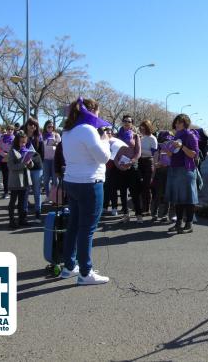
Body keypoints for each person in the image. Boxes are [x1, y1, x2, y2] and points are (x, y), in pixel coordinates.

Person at [60, 97, 112, 285]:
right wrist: (105, 140)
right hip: (90, 183)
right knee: (87, 230)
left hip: (72, 181)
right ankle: (85, 272)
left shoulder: (68, 131)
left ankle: (68, 266)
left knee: (73, 226)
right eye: (97, 112)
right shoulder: (88, 130)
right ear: (91, 112)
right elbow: (104, 157)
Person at [166, 114, 199, 234]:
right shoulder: (176, 136)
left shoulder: (190, 135)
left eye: (180, 122)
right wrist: (168, 151)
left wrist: (182, 146)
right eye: (176, 122)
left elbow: (194, 154)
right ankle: (178, 223)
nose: (177, 125)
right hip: (175, 169)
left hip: (186, 170)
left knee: (188, 198)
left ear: (185, 123)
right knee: (177, 198)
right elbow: (174, 154)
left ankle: (189, 224)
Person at [116, 115, 143, 222]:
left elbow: (138, 152)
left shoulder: (135, 136)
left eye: (129, 121)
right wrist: (119, 164)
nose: (127, 123)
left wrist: (131, 162)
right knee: (123, 192)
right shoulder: (117, 136)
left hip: (132, 166)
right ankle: (126, 215)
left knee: (134, 191)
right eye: (125, 121)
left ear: (132, 124)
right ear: (122, 122)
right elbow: (114, 152)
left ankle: (138, 214)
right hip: (120, 167)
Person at [6, 131, 34, 228]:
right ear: (17, 141)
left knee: (23, 202)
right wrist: (23, 164)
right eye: (21, 142)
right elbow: (10, 166)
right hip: (16, 180)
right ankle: (11, 220)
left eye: (25, 142)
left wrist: (30, 162)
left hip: (25, 180)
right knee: (13, 201)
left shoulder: (26, 150)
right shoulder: (12, 151)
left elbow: (30, 166)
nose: (23, 144)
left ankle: (22, 219)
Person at [21, 117, 44, 219]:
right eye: (31, 125)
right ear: (27, 125)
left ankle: (38, 212)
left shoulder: (39, 137)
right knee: (25, 190)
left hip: (37, 167)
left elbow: (42, 153)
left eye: (35, 125)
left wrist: (38, 163)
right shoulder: (22, 136)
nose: (32, 127)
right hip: (25, 166)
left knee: (36, 191)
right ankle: (24, 212)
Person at [151, 131, 173, 222]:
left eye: (168, 140)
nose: (166, 142)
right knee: (157, 195)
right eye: (164, 140)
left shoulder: (172, 150)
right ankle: (154, 214)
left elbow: (174, 162)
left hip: (169, 173)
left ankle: (165, 215)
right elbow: (155, 164)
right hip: (160, 173)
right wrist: (157, 165)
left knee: (167, 195)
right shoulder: (158, 150)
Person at [138, 120, 157, 216]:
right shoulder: (141, 138)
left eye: (143, 128)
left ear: (147, 128)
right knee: (141, 186)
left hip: (149, 162)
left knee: (147, 186)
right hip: (140, 162)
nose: (141, 129)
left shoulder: (152, 138)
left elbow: (154, 153)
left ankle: (147, 209)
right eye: (140, 128)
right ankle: (142, 207)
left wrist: (141, 151)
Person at [41, 120, 61, 199]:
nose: (50, 128)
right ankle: (48, 196)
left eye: (52, 127)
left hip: (54, 160)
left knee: (55, 180)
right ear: (46, 127)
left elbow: (60, 147)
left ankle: (54, 197)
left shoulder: (56, 135)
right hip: (45, 160)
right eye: (49, 126)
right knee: (45, 180)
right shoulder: (42, 136)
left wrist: (56, 144)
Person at [0, 125, 15, 199]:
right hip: (3, 158)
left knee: (13, 176)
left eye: (11, 129)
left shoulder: (15, 138)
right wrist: (4, 154)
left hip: (12, 158)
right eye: (8, 129)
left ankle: (13, 191)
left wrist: (10, 154)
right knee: (5, 176)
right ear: (6, 130)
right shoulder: (2, 138)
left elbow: (17, 148)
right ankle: (6, 192)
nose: (10, 130)